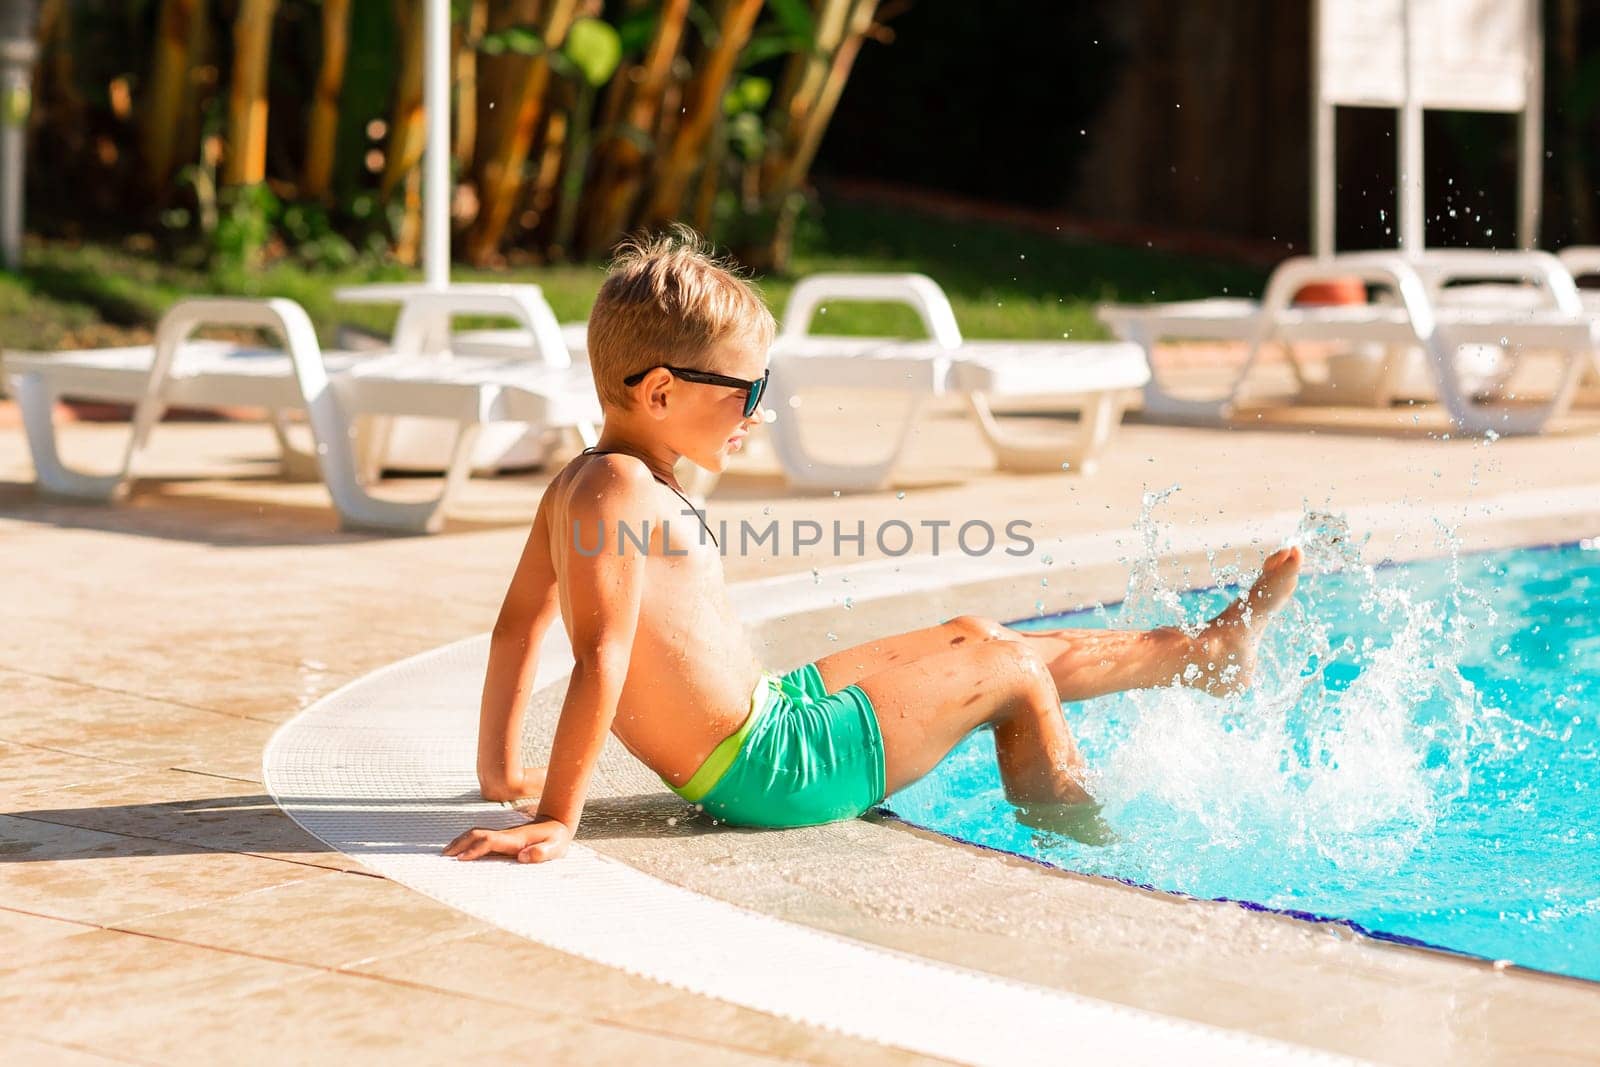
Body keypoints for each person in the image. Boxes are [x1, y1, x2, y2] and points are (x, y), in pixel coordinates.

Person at [444, 229, 1302, 864]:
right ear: (662, 389)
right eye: (748, 390)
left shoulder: (585, 479)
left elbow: (518, 625)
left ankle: (1204, 652)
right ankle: (1094, 843)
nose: (758, 411)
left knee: (981, 634)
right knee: (1009, 673)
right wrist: (558, 813)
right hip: (769, 771)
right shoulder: (616, 490)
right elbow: (600, 653)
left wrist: (495, 764)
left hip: (769, 718)